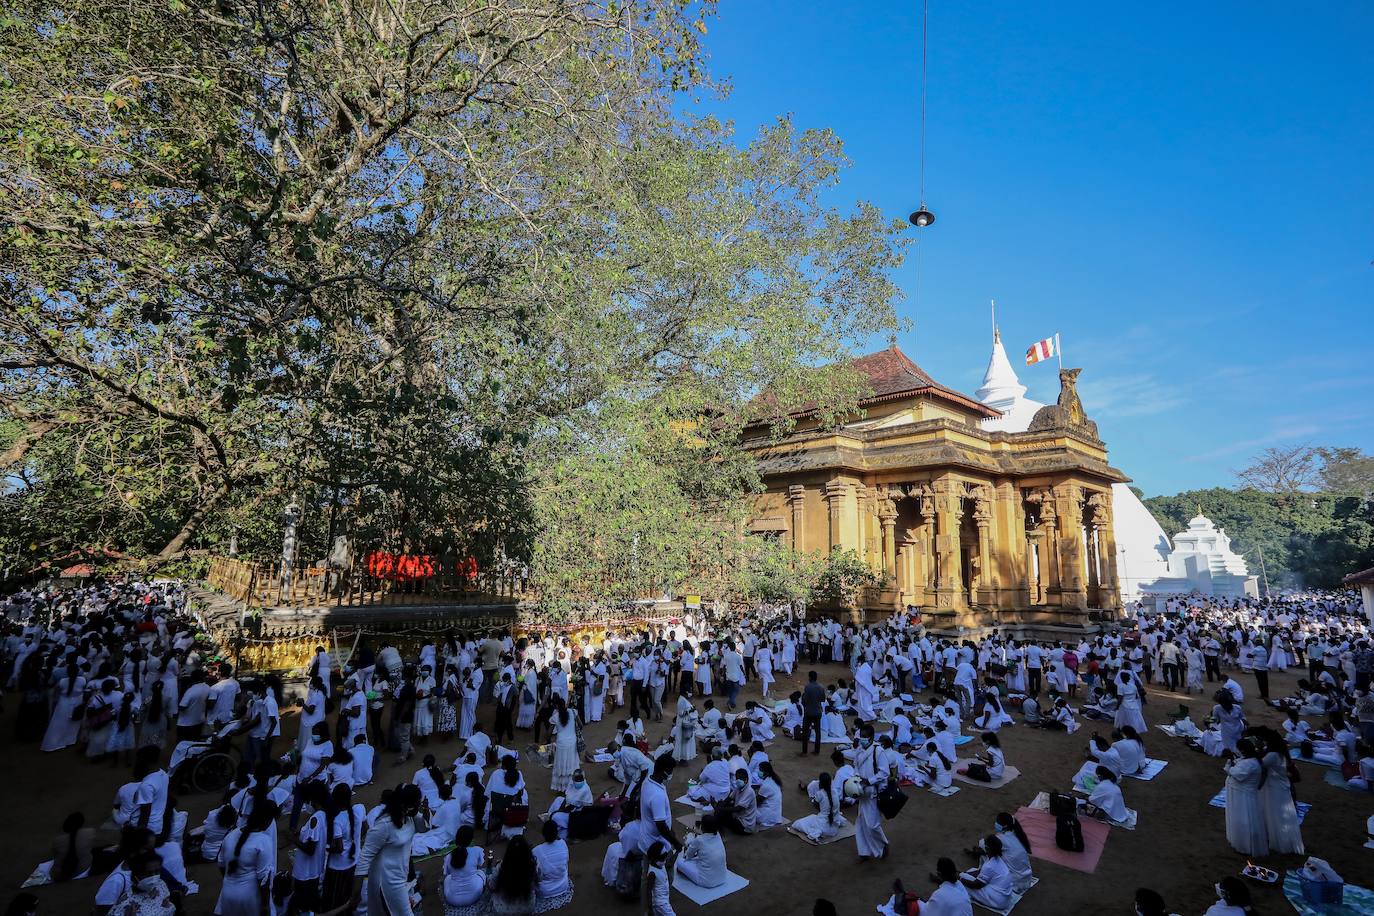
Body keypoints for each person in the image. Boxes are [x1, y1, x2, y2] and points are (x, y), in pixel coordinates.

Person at [352, 784, 422, 916]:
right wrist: (356, 892)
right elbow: (365, 857)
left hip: (401, 877)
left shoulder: (410, 818)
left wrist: (416, 811)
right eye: (415, 804)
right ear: (404, 804)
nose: (417, 807)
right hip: (387, 883)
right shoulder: (384, 824)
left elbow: (424, 827)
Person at [215, 806, 276, 916]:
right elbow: (263, 880)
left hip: (227, 894)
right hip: (250, 897)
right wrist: (265, 906)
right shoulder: (264, 841)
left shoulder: (230, 836)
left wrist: (232, 880)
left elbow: (221, 864)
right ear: (267, 821)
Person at [1222, 739, 1268, 857]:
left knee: (1244, 820)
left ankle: (1245, 846)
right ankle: (1240, 842)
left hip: (1243, 796)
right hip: (1239, 793)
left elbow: (1237, 774)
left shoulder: (1251, 763)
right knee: (1239, 819)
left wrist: (1229, 766)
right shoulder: (1248, 759)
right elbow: (1237, 764)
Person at [960, 834, 1014, 912]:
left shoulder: (989, 866)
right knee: (971, 871)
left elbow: (976, 885)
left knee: (963, 880)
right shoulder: (997, 859)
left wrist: (961, 879)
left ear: (987, 848)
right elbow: (981, 872)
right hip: (1006, 898)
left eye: (985, 845)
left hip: (998, 901)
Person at [443, 825, 488, 916]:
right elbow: (480, 864)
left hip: (452, 898)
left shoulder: (449, 856)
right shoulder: (477, 850)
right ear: (471, 840)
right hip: (474, 895)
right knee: (481, 873)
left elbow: (446, 873)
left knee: (447, 878)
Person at [532, 818, 574, 912]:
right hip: (563, 885)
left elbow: (534, 875)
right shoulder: (563, 843)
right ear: (556, 833)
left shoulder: (536, 851)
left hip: (544, 891)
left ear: (543, 834)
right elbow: (565, 862)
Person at [490, 834, 537, 914]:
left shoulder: (501, 867)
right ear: (527, 851)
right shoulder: (533, 865)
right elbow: (539, 880)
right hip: (527, 907)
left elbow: (492, 885)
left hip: (503, 910)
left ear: (509, 851)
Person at [676, 815, 727, 887]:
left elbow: (688, 857)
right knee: (702, 859)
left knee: (680, 862)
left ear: (702, 827)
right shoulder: (718, 835)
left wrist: (689, 844)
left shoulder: (699, 840)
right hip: (722, 878)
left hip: (706, 881)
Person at [48, 812, 94, 882]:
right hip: (85, 869)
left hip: (62, 875)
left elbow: (55, 855)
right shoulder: (90, 832)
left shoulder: (58, 841)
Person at [645, 841, 674, 916]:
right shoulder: (652, 873)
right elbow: (648, 891)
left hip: (664, 898)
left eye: (665, 859)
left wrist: (677, 851)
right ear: (654, 858)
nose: (664, 862)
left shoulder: (661, 865)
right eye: (662, 859)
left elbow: (669, 864)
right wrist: (650, 908)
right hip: (660, 903)